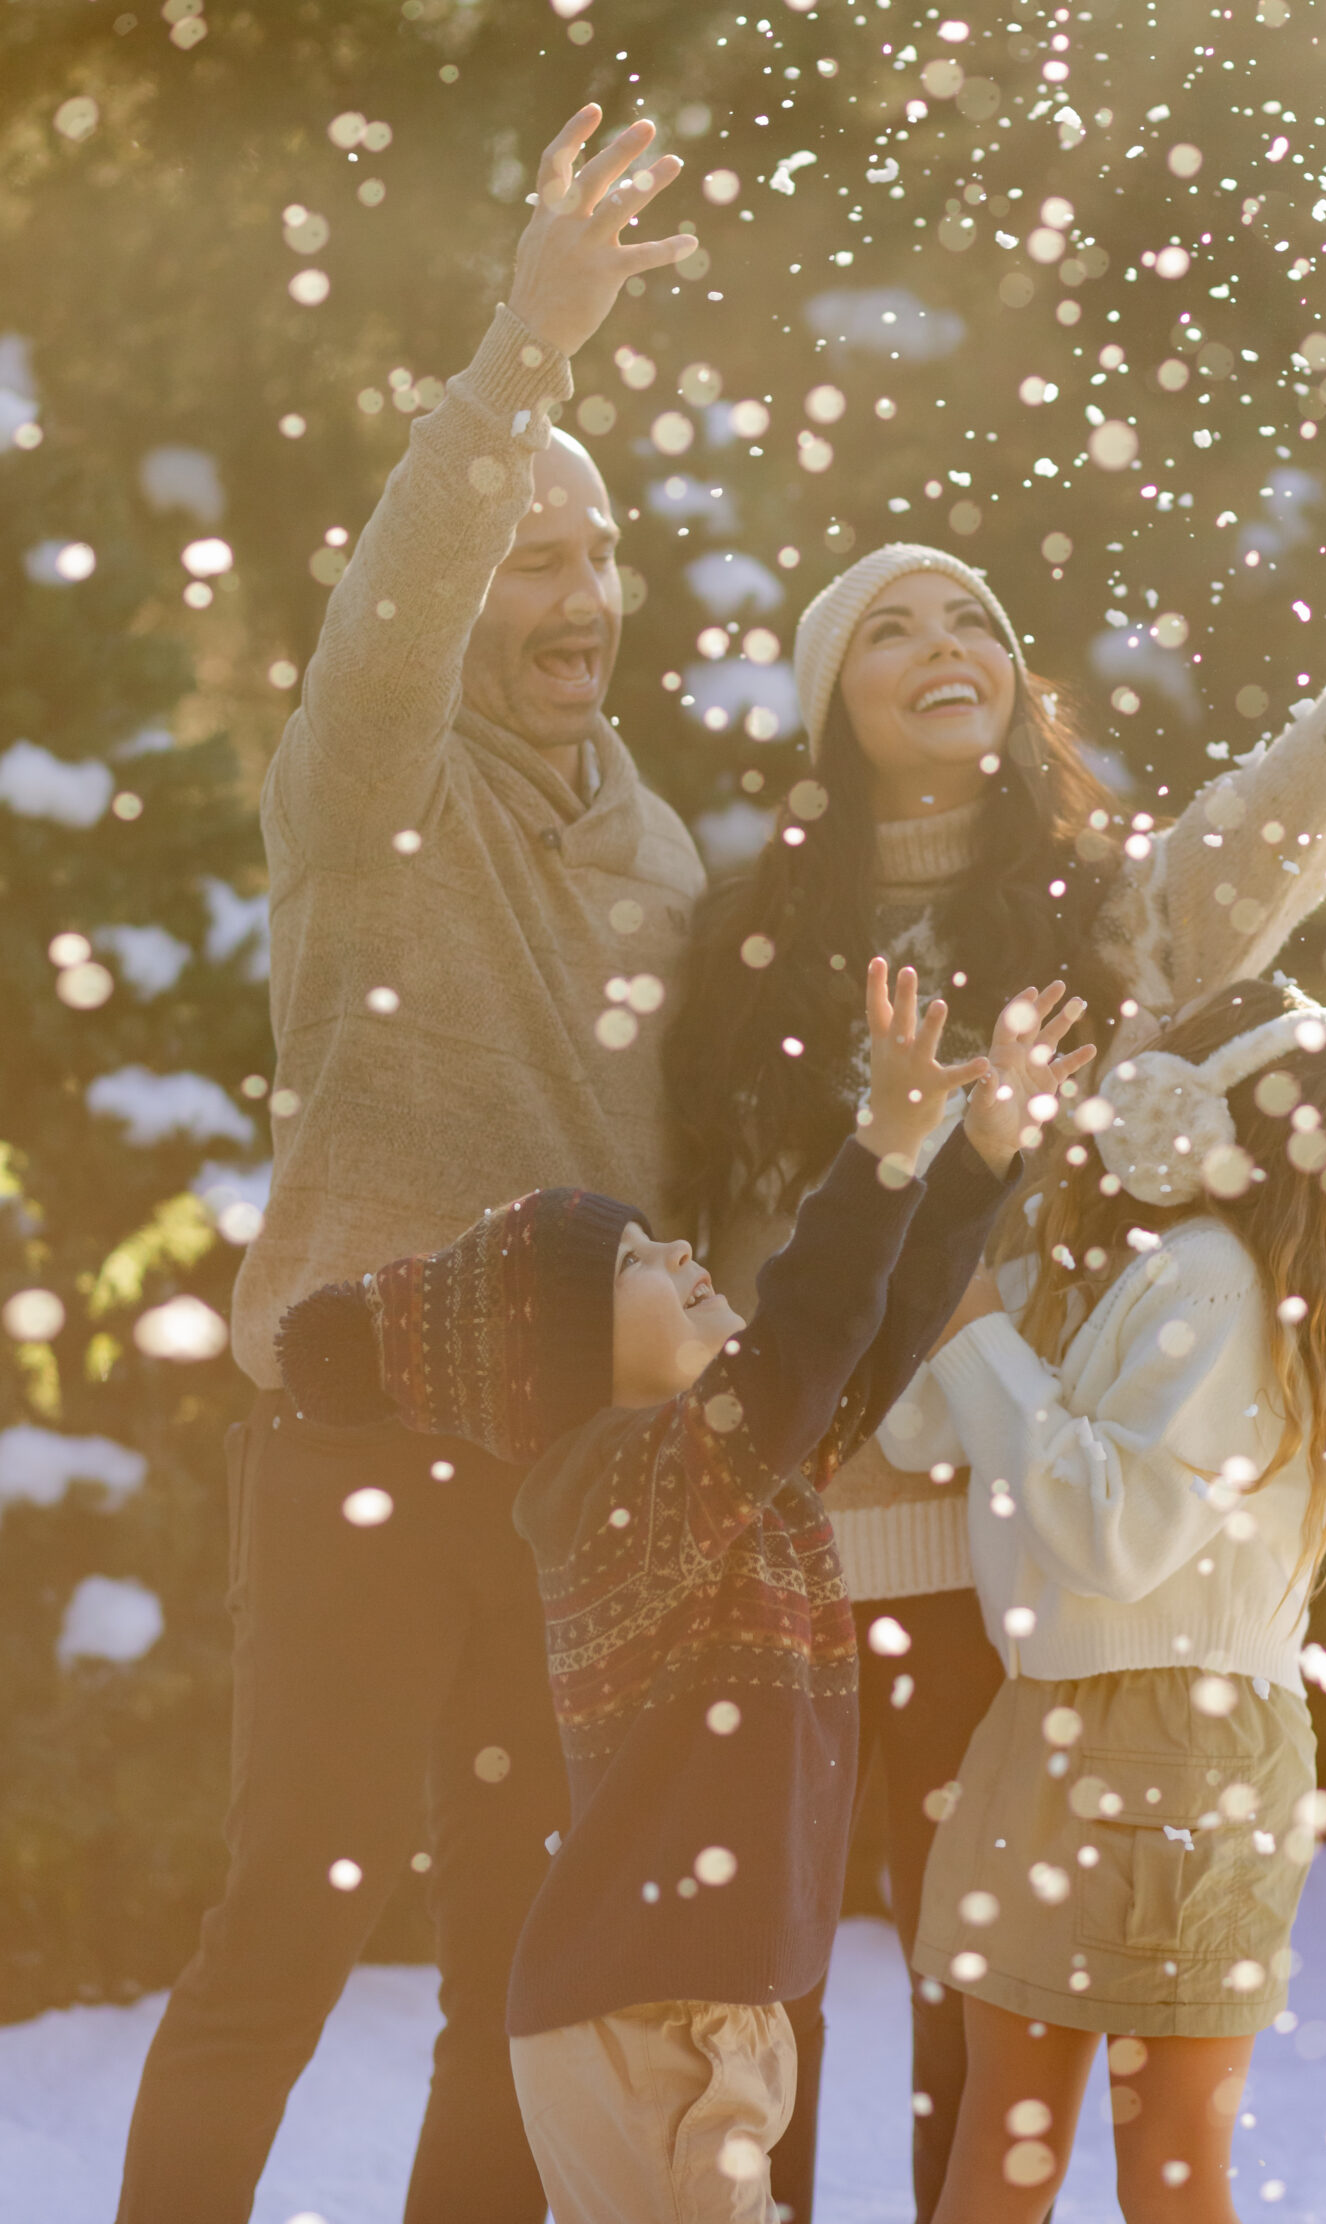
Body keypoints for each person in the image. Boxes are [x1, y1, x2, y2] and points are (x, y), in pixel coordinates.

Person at [666, 510, 1326, 2222]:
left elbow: (1286, 808)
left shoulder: (1104, 923)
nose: (946, 641)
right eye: (890, 628)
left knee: (980, 2007)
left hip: (1003, 1561)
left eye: (971, 614)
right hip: (786, 1547)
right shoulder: (746, 953)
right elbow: (719, 1236)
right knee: (756, 1990)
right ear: (828, 705)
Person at [116, 108, 704, 2224]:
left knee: (519, 1971)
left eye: (601, 553)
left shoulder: (665, 849)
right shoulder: (363, 793)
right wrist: (524, 356)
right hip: (364, 1447)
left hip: (572, 1480)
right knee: (284, 1931)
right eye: (536, 558)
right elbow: (396, 599)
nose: (582, 591)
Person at [272, 960, 1089, 2224]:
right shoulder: (624, 1487)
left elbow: (858, 1356)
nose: (684, 1253)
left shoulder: (719, 1479)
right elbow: (811, 1334)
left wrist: (978, 1154)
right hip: (649, 2018)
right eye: (637, 1264)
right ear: (565, 1368)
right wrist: (884, 1139)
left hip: (698, 2003)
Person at [881, 980, 1326, 2224]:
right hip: (1084, 1728)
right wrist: (982, 1273)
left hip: (1164, 1740)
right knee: (1027, 2165)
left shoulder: (1216, 1280)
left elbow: (1109, 1534)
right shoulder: (1171, 1270)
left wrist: (974, 1330)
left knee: (1146, 2172)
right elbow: (924, 1428)